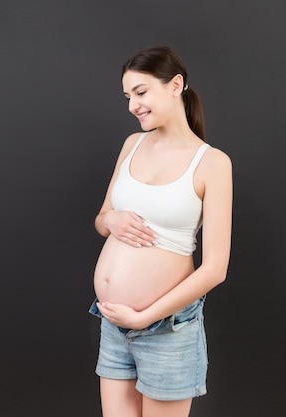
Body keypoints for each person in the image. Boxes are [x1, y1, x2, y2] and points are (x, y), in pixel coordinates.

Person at [88, 45, 233, 417]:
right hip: (113, 323)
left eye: (141, 92)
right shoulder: (131, 145)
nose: (133, 105)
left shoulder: (212, 163)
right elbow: (102, 218)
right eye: (127, 97)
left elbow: (215, 269)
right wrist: (112, 221)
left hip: (166, 329)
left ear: (175, 85)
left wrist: (143, 317)